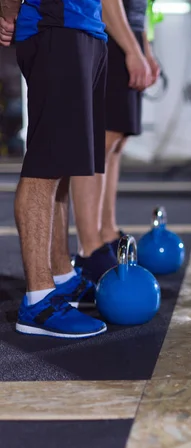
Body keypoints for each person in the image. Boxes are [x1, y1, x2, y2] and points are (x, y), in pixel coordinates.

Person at [0, 0, 109, 336]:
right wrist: (7, 11)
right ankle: (38, 300)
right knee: (44, 167)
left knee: (61, 164)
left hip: (85, 27)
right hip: (54, 26)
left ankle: (62, 278)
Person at [70, 0, 160, 289]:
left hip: (127, 36)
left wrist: (145, 49)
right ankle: (89, 249)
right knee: (100, 144)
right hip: (110, 37)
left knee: (116, 143)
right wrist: (133, 50)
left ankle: (107, 233)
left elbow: (137, 9)